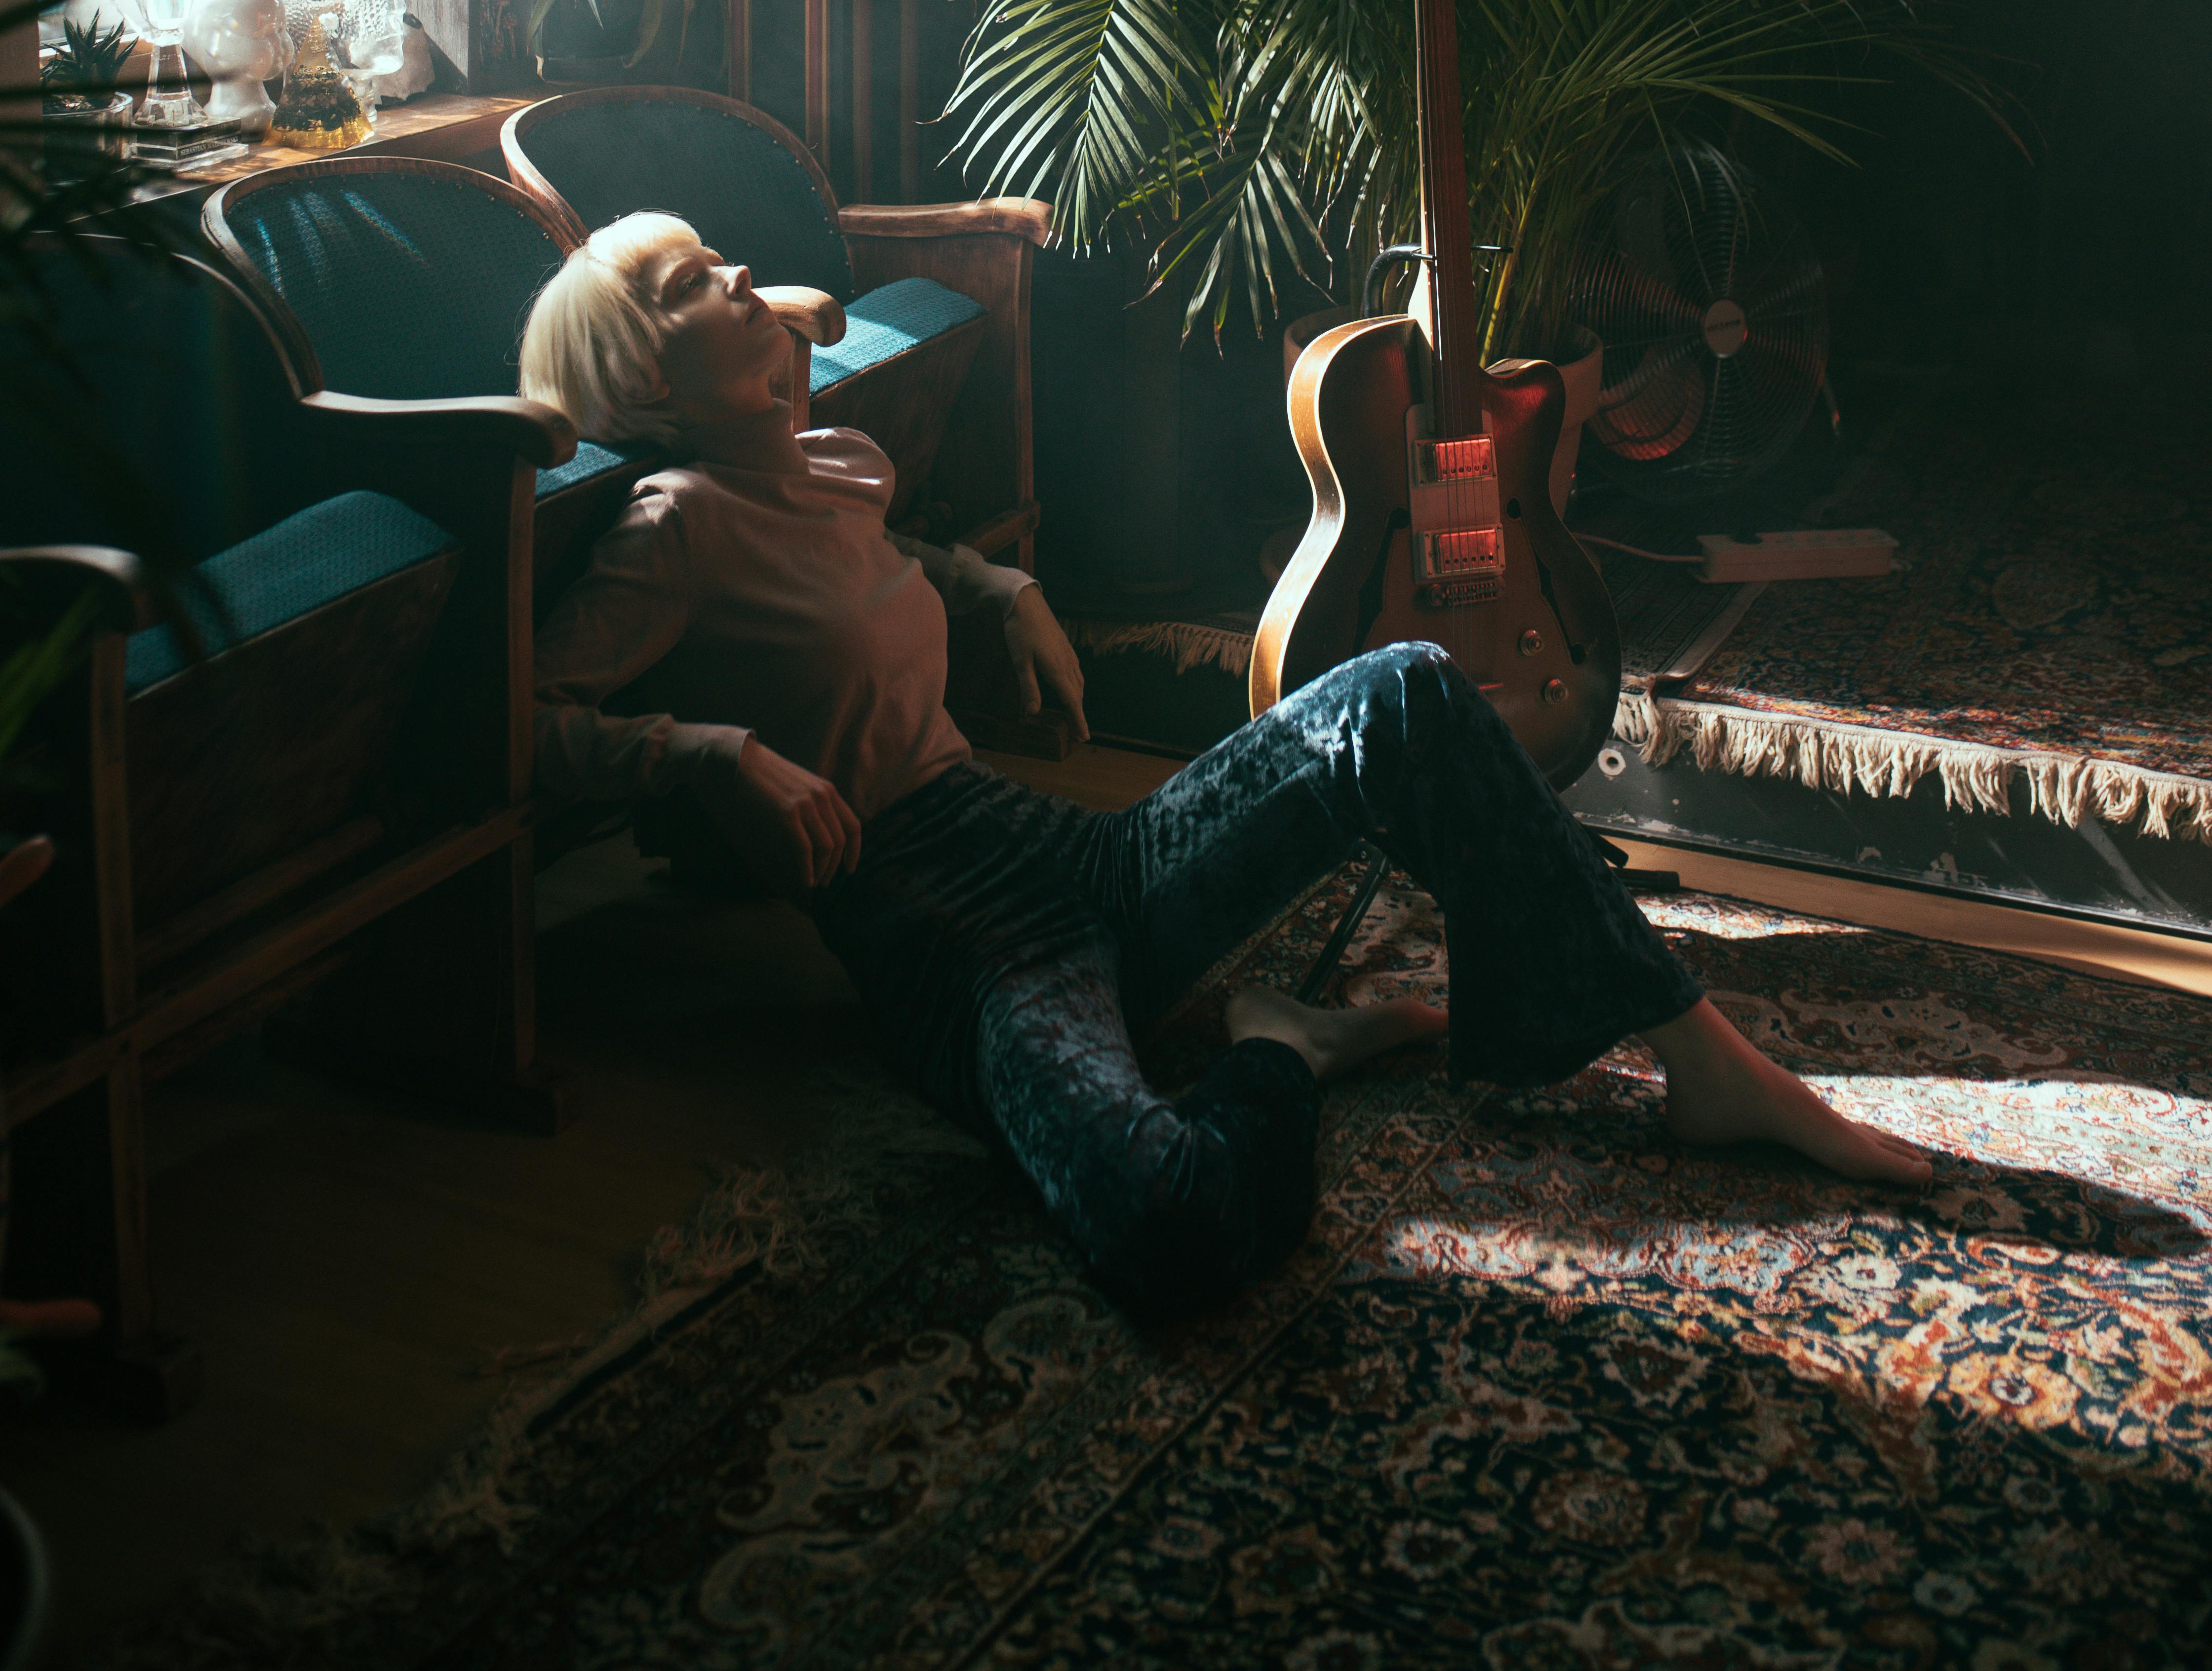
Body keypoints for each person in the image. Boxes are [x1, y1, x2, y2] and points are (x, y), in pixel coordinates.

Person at [520, 214, 1931, 1319]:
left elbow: (875, 565)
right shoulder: (673, 528)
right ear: (647, 376)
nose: (744, 275)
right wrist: (702, 751)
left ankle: (1703, 1055)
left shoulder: (835, 460)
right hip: (961, 945)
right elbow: (519, 718)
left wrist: (999, 595)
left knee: (1410, 690)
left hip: (1070, 855)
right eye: (701, 280)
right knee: (1167, 1225)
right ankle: (1283, 1046)